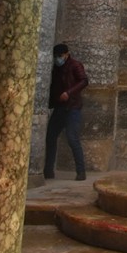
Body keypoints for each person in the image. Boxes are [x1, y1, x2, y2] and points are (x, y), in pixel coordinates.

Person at [44, 43, 89, 181]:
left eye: (60, 56)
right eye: (56, 56)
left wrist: (68, 93)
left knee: (72, 138)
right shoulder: (57, 68)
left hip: (72, 107)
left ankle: (81, 172)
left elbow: (84, 81)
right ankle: (48, 171)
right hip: (60, 107)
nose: (58, 59)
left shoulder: (75, 65)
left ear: (67, 54)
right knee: (50, 137)